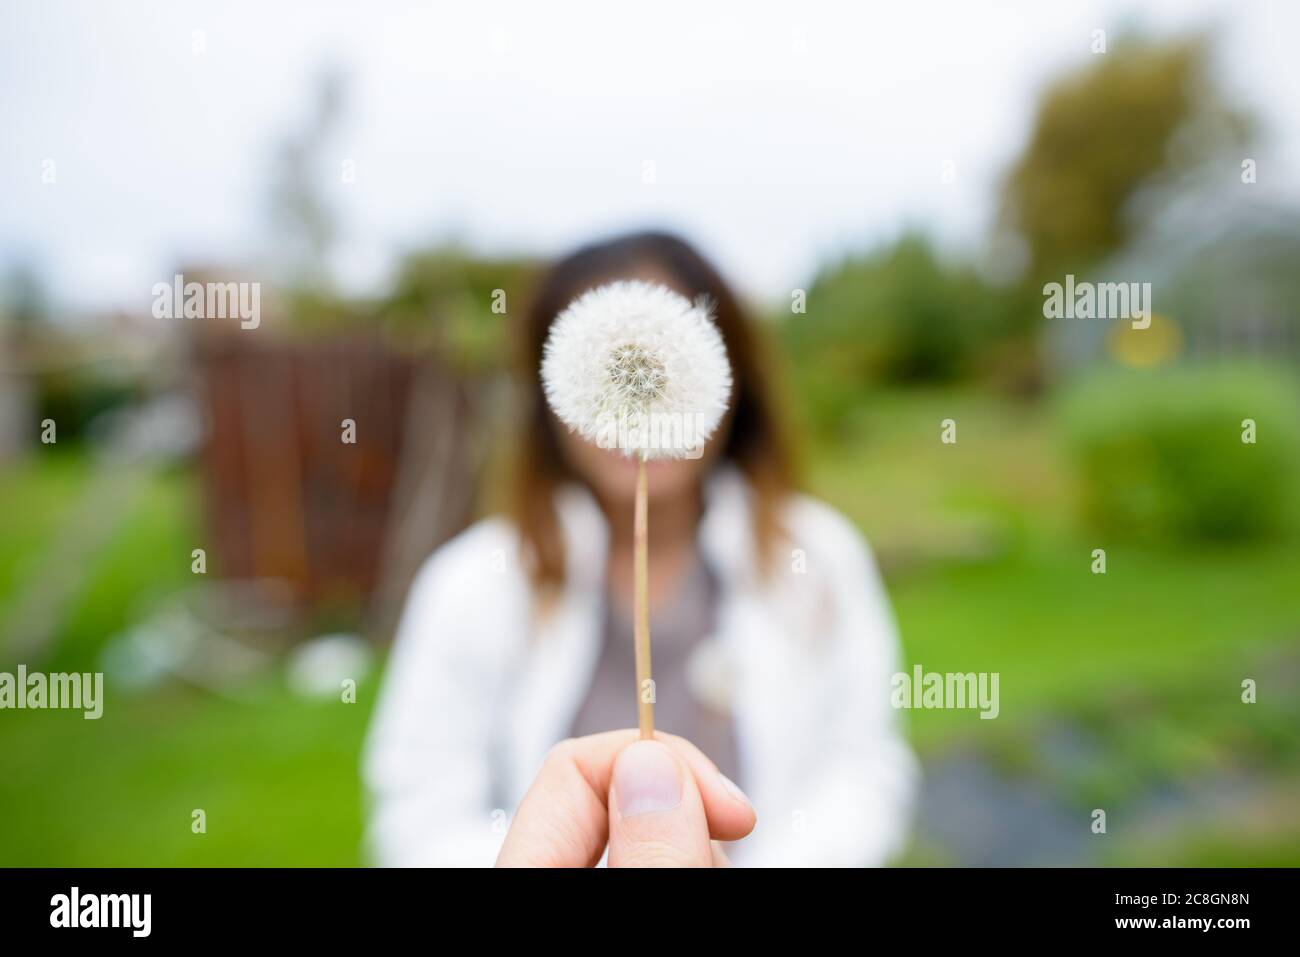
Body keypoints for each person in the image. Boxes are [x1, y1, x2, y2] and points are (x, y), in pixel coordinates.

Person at [363, 231, 917, 866]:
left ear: (728, 377)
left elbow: (864, 768)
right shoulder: (471, 583)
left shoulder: (819, 557)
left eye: (658, 370)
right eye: (615, 374)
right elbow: (417, 817)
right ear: (550, 399)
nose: (634, 412)